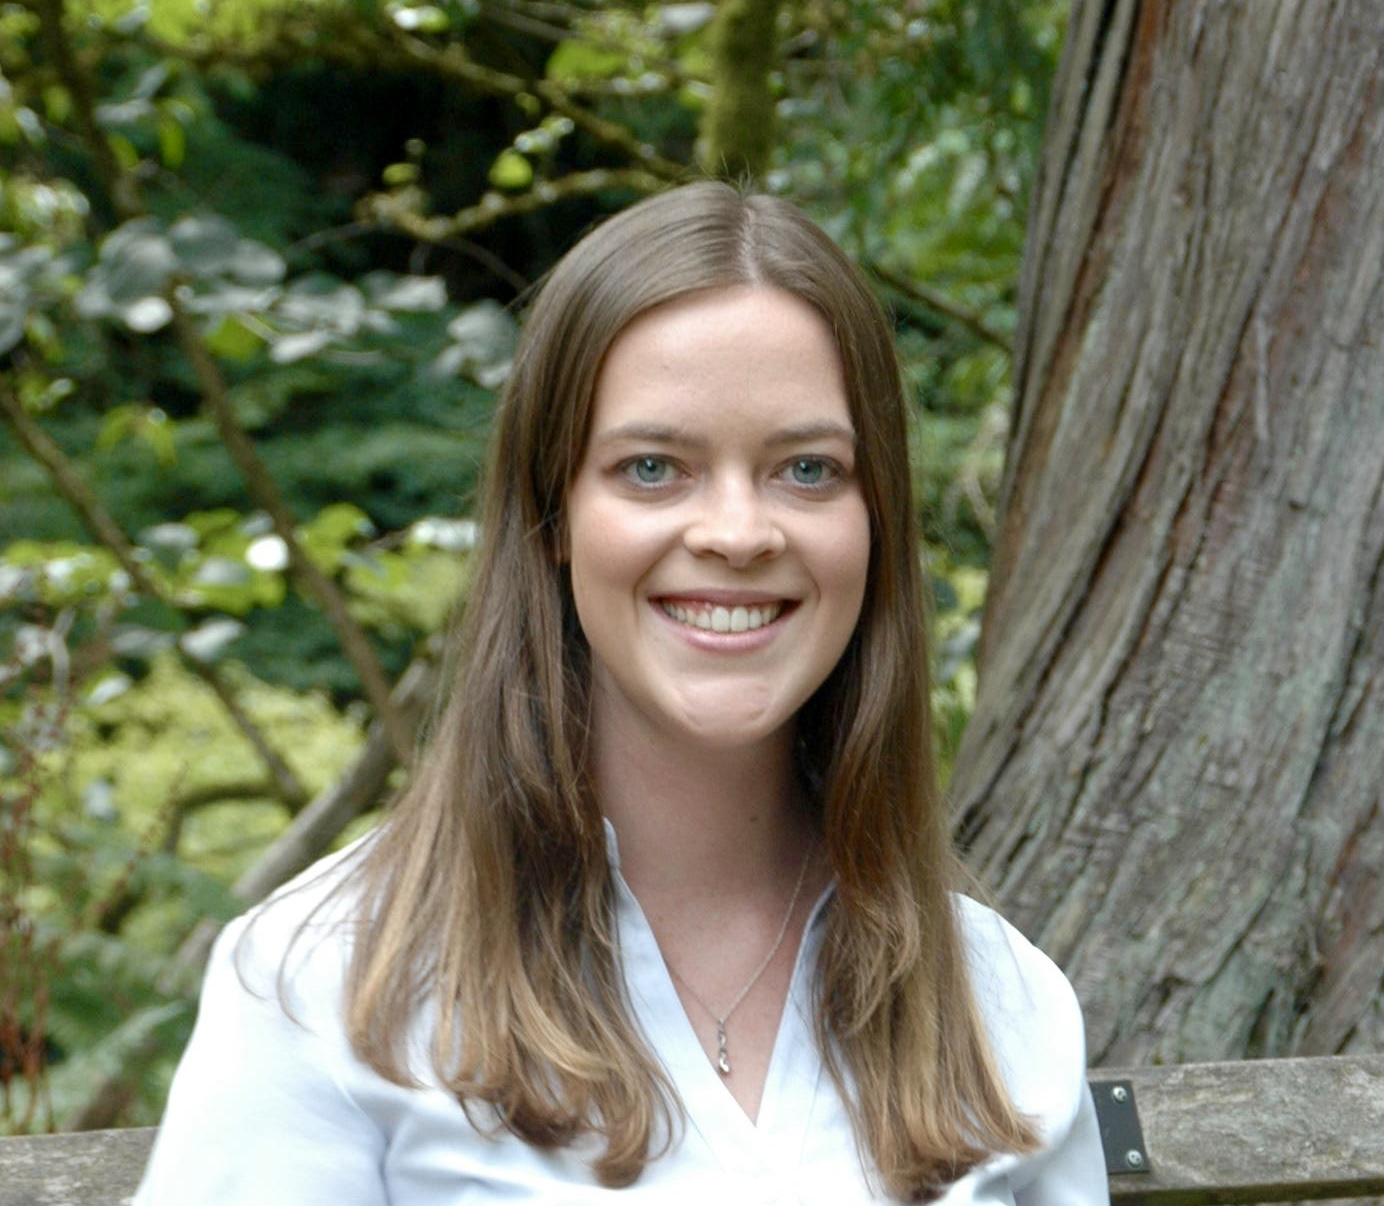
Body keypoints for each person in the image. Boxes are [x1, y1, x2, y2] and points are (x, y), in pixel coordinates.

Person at [135, 181, 1109, 1204]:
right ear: (551, 518)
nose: (737, 532)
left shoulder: (1000, 1004)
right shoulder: (327, 985)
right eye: (653, 467)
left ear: (877, 522)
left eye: (808, 471)